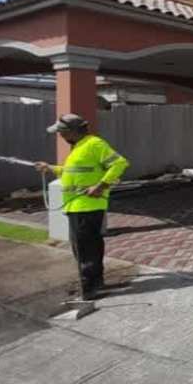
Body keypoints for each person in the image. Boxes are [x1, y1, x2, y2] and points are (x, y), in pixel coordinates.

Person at [35, 114, 129, 301]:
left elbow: (120, 163)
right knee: (90, 247)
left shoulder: (94, 144)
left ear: (72, 131)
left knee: (85, 249)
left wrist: (101, 186)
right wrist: (50, 168)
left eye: (62, 132)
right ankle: (96, 283)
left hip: (87, 206)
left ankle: (89, 290)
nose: (60, 136)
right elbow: (70, 172)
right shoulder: (79, 147)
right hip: (77, 205)